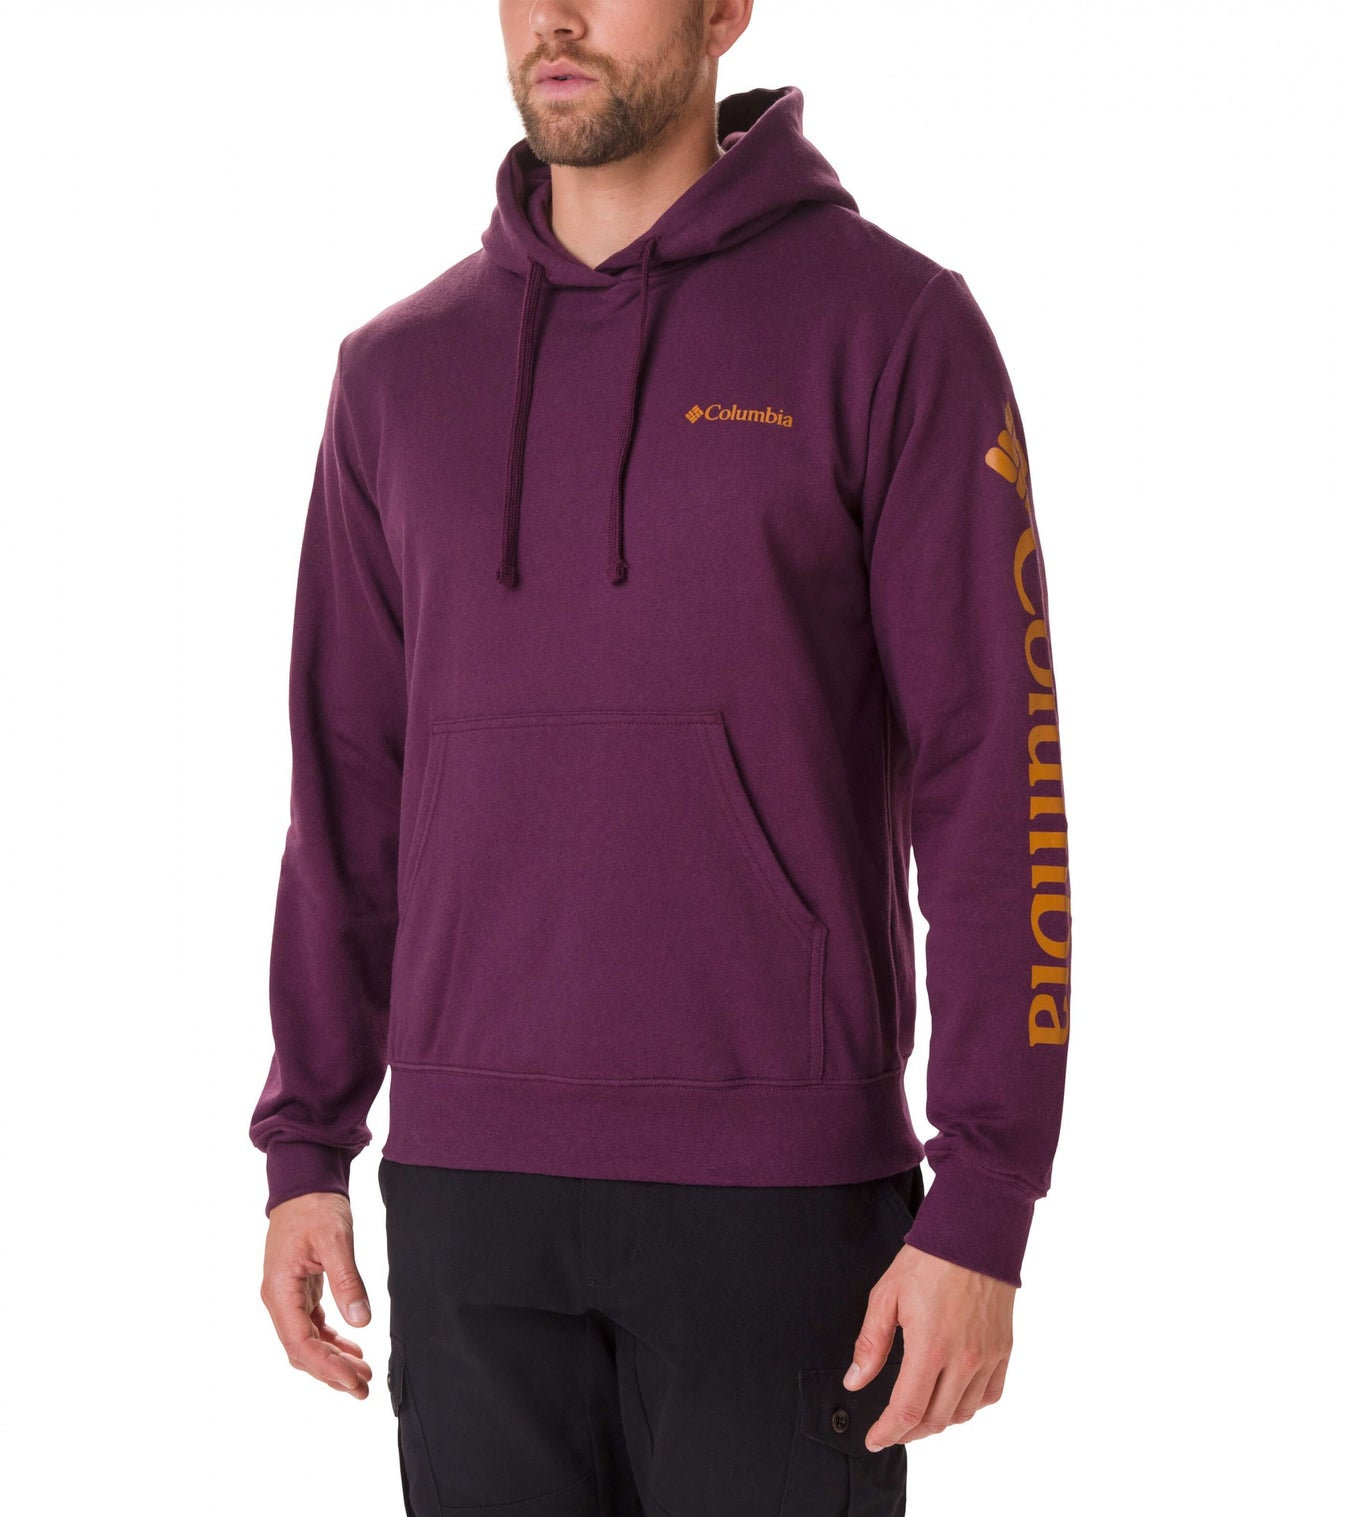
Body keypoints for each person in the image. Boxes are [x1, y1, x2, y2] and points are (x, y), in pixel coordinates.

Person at [250, 2, 1073, 1511]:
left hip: (781, 1195)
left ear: (724, 10)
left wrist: (987, 1195)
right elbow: (345, 785)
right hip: (468, 1192)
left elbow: (994, 775)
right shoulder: (394, 373)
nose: (556, 17)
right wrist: (306, 1141)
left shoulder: (890, 327)